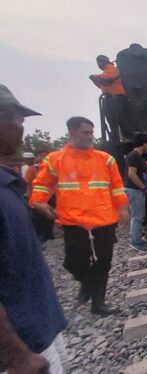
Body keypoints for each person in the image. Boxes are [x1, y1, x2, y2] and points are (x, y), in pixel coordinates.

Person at [30, 116, 130, 316]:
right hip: (73, 221)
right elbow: (42, 184)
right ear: (72, 132)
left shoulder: (105, 159)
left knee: (104, 262)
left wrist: (123, 207)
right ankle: (86, 282)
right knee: (74, 262)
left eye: (92, 133)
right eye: (86, 132)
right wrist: (38, 201)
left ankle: (98, 303)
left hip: (104, 219)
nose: (91, 137)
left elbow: (117, 186)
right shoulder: (55, 160)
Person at [0, 84, 68, 373]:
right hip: (20, 348)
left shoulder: (7, 181)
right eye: (18, 120)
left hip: (35, 332)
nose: (22, 128)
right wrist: (17, 354)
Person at [89, 55, 126, 142]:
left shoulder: (111, 68)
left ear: (101, 62)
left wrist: (96, 77)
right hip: (109, 98)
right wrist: (94, 81)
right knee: (111, 119)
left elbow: (108, 77)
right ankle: (115, 136)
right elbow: (103, 86)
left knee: (118, 118)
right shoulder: (105, 72)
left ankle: (124, 135)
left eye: (98, 62)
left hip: (117, 97)